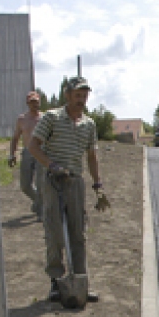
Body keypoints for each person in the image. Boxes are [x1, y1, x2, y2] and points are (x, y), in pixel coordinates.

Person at [28, 76, 102, 304]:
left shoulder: (88, 124)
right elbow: (33, 146)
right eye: (77, 95)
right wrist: (51, 165)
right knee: (55, 230)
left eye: (84, 96)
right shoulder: (51, 118)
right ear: (67, 95)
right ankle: (56, 281)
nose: (81, 100)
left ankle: (80, 281)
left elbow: (91, 156)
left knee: (78, 232)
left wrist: (97, 183)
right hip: (52, 180)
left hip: (75, 181)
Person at [8, 91, 44, 219]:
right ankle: (40, 202)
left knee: (41, 183)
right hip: (28, 152)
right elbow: (15, 138)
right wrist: (12, 154)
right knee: (25, 185)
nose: (35, 104)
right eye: (32, 102)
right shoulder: (22, 119)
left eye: (36, 102)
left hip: (42, 152)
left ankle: (42, 209)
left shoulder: (44, 118)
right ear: (28, 103)